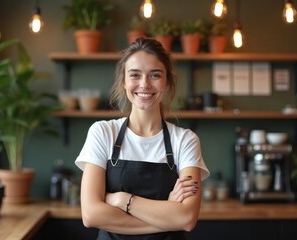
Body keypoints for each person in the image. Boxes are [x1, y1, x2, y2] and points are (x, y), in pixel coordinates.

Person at [75, 37, 210, 239]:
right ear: (124, 82)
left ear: (166, 82)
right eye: (135, 75)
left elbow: (187, 218)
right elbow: (91, 215)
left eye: (155, 75)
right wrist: (168, 215)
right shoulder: (102, 132)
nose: (144, 84)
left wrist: (123, 200)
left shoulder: (185, 140)